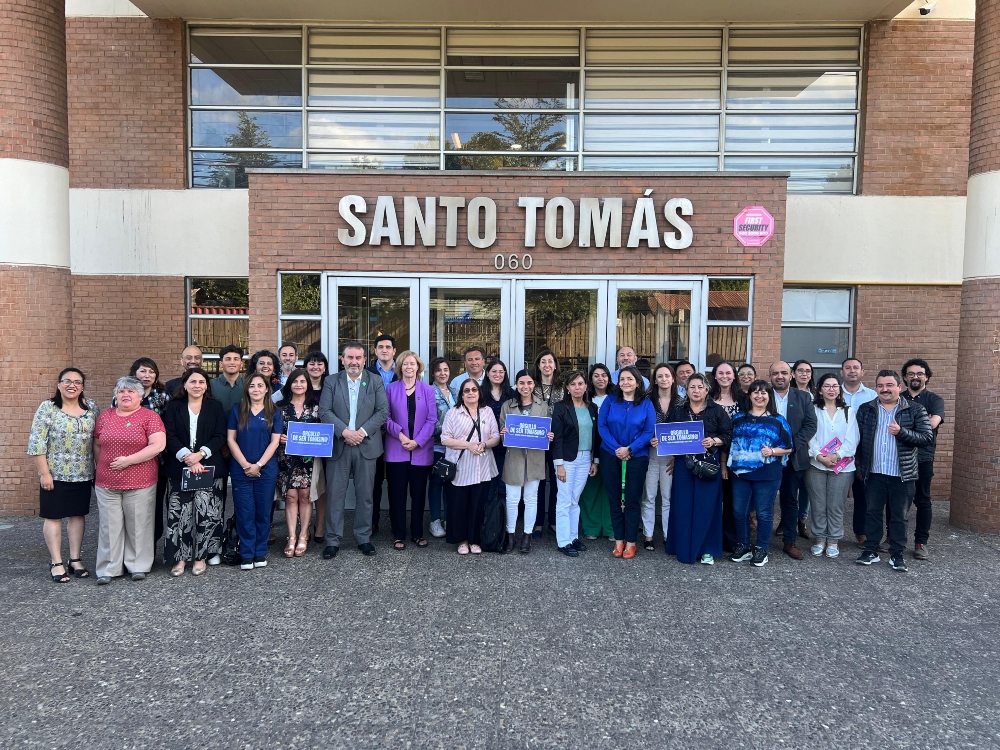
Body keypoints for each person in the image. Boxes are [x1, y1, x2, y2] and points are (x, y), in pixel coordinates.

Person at [854, 371, 933, 572]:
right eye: (880, 385)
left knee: (899, 515)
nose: (885, 389)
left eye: (889, 385)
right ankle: (870, 550)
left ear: (900, 386)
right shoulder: (867, 409)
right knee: (872, 513)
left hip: (902, 473)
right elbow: (858, 439)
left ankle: (896, 554)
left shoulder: (915, 409)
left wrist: (902, 432)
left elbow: (926, 438)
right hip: (874, 472)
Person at [93, 376, 166, 585]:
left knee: (139, 525)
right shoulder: (105, 416)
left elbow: (157, 445)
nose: (126, 395)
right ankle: (109, 567)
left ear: (141, 397)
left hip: (140, 481)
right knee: (109, 526)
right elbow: (97, 444)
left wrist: (128, 461)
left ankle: (138, 565)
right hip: (107, 483)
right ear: (116, 395)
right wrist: (103, 465)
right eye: (122, 391)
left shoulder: (149, 417)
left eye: (131, 392)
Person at [29, 368, 99, 582]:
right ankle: (57, 562)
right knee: (54, 516)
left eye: (77, 382)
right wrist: (44, 473)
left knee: (78, 515)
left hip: (83, 473)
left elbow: (97, 441)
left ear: (83, 386)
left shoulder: (92, 408)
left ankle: (75, 559)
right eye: (67, 381)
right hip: (55, 474)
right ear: (59, 384)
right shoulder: (48, 408)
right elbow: (37, 442)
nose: (72, 385)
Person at [319, 340, 388, 559]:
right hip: (340, 444)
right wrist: (345, 432)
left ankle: (363, 538)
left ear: (365, 360)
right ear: (342, 359)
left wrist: (362, 432)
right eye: (350, 357)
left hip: (366, 445)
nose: (354, 362)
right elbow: (325, 411)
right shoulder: (331, 381)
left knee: (365, 495)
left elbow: (382, 411)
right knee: (335, 496)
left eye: (358, 358)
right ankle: (332, 540)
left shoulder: (375, 381)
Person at [161, 368, 227, 576]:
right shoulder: (173, 407)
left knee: (206, 514)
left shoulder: (215, 407)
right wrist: (186, 457)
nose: (197, 385)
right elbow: (168, 434)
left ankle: (201, 557)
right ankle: (180, 558)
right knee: (180, 514)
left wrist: (200, 455)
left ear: (206, 385)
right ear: (185, 384)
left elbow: (220, 435)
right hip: (180, 466)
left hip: (208, 466)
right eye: (193, 382)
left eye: (201, 382)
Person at [665, 373, 731, 564]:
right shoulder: (677, 411)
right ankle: (683, 547)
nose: (696, 390)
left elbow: (728, 434)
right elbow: (667, 434)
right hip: (683, 465)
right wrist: (659, 441)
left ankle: (707, 549)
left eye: (700, 387)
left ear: (707, 390)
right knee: (683, 505)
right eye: (692, 387)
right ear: (686, 390)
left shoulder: (717, 411)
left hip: (708, 463)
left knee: (706, 506)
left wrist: (714, 440)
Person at [727, 380, 794, 567]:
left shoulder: (778, 420)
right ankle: (744, 546)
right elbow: (729, 443)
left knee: (764, 513)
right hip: (740, 473)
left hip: (767, 473)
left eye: (764, 392)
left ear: (769, 396)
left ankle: (762, 549)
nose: (759, 396)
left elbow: (788, 447)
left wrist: (772, 451)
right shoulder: (738, 418)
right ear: (749, 396)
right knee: (739, 512)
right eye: (755, 392)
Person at [598, 366, 655, 559]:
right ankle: (618, 541)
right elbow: (602, 425)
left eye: (630, 379)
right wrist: (618, 449)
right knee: (614, 500)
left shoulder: (646, 404)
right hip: (610, 454)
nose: (625, 382)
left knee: (632, 500)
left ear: (638, 382)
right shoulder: (611, 400)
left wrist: (630, 449)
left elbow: (648, 432)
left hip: (637, 457)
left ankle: (631, 543)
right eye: (622, 379)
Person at [227, 373, 283, 570]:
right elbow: (231, 440)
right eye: (252, 386)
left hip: (266, 469)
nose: (256, 389)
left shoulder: (274, 412)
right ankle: (246, 553)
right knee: (244, 511)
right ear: (247, 389)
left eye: (260, 385)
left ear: (267, 389)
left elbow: (275, 441)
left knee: (263, 511)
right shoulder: (237, 411)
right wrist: (245, 465)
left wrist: (258, 465)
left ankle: (260, 552)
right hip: (241, 469)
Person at [441, 379, 500, 555]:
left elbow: (496, 436)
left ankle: (475, 540)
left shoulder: (487, 411)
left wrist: (484, 444)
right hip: (460, 467)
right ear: (461, 394)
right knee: (460, 505)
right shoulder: (453, 413)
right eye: (466, 390)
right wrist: (468, 445)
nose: (471, 393)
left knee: (478, 505)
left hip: (482, 466)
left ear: (479, 392)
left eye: (474, 389)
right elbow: (445, 439)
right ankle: (462, 540)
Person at [384, 351, 436, 550]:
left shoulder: (427, 390)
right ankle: (398, 535)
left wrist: (418, 441)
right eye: (405, 364)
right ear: (400, 367)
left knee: (418, 494)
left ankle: (417, 533)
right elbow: (385, 418)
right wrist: (402, 436)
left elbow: (432, 419)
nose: (408, 367)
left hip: (421, 451)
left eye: (412, 364)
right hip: (397, 449)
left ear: (418, 367)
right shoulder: (391, 389)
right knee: (397, 495)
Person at [805, 374, 859, 559]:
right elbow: (808, 436)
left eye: (835, 386)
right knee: (818, 504)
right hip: (816, 465)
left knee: (836, 505)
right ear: (820, 389)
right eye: (827, 386)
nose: (831, 389)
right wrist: (820, 456)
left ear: (839, 389)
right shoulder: (812, 409)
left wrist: (836, 455)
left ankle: (834, 540)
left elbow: (853, 439)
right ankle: (820, 539)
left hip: (842, 466)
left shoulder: (848, 411)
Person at [499, 370, 553, 554]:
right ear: (516, 384)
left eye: (529, 383)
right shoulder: (508, 405)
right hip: (513, 457)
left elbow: (547, 429)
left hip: (535, 458)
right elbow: (501, 428)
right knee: (512, 499)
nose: (525, 387)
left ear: (534, 385)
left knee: (531, 499)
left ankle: (527, 536)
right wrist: (503, 433)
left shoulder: (543, 406)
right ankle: (510, 535)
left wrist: (549, 436)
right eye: (521, 383)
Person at [769, 360, 817, 559]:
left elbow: (810, 425)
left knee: (790, 501)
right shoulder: (761, 394)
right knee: (763, 500)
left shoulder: (804, 397)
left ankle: (790, 541)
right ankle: (758, 540)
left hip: (793, 458)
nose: (779, 376)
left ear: (791, 376)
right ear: (769, 376)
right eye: (775, 373)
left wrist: (790, 446)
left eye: (784, 373)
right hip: (766, 457)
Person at [551, 370, 599, 557]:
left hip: (586, 458)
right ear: (568, 388)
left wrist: (595, 461)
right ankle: (563, 541)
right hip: (567, 460)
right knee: (564, 500)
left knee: (575, 500)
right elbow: (558, 438)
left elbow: (596, 437)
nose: (577, 387)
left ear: (586, 386)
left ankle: (572, 537)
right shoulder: (560, 407)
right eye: (573, 384)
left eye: (580, 384)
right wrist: (559, 464)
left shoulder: (592, 408)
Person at [124, 357, 171, 543]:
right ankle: (130, 547)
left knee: (154, 503)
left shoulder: (162, 397)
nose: (147, 375)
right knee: (131, 506)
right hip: (129, 459)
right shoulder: (123, 396)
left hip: (156, 459)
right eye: (143, 371)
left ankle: (150, 545)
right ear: (134, 373)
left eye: (151, 372)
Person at [901, 358, 945, 560]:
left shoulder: (934, 400)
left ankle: (921, 542)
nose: (915, 377)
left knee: (923, 501)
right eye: (911, 374)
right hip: (899, 456)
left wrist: (904, 428)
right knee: (896, 500)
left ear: (926, 376)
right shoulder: (898, 397)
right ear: (905, 377)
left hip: (923, 458)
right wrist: (919, 423)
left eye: (919, 373)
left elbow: (932, 424)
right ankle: (893, 538)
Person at [276, 368, 319, 558]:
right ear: (289, 385)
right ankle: (291, 536)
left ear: (308, 384)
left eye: (302, 381)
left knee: (305, 497)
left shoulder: (316, 407)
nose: (299, 385)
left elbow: (323, 433)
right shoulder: (280, 407)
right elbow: (272, 432)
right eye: (295, 382)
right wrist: (279, 438)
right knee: (291, 497)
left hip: (309, 461)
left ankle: (304, 534)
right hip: (287, 460)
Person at [209, 344, 244, 564]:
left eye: (236, 359)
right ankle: (213, 544)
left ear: (242, 363)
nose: (232, 362)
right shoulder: (211, 385)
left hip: (244, 450)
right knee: (215, 498)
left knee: (242, 497)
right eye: (227, 359)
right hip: (216, 449)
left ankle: (238, 540)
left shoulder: (249, 384)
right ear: (221, 363)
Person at [840, 357, 878, 547]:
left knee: (863, 493)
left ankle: (861, 532)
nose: (852, 371)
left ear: (862, 372)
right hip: (837, 452)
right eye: (848, 368)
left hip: (864, 451)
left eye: (856, 368)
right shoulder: (833, 393)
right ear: (842, 372)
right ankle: (832, 533)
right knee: (835, 495)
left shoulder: (873, 395)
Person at [642, 363, 679, 551]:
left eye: (667, 376)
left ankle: (667, 534)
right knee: (649, 496)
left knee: (668, 496)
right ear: (654, 380)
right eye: (660, 376)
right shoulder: (647, 401)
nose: (664, 379)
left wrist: (678, 456)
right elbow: (640, 426)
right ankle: (648, 535)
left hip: (671, 457)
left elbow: (684, 431)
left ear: (673, 379)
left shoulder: (682, 401)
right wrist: (649, 440)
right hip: (650, 454)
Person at [710, 360, 743, 553]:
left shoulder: (743, 399)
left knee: (733, 501)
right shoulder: (708, 399)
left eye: (728, 373)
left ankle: (731, 541)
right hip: (712, 456)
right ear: (714, 375)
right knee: (713, 500)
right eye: (720, 373)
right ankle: (714, 539)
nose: (724, 376)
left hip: (738, 458)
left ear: (734, 375)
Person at [367, 334, 398, 534]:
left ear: (394, 351)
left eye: (388, 347)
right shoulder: (367, 372)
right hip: (374, 432)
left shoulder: (404, 371)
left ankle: (397, 522)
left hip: (397, 433)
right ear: (375, 351)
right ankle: (372, 520)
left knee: (396, 479)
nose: (384, 350)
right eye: (380, 347)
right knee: (374, 480)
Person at [532, 348, 564, 536]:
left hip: (557, 440)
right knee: (538, 480)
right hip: (537, 439)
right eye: (543, 361)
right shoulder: (532, 385)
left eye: (550, 361)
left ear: (555, 365)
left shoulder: (562, 386)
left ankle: (553, 520)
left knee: (555, 481)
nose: (547, 365)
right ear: (538, 365)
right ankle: (537, 522)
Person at [303, 350, 330, 542]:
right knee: (302, 487)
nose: (316, 367)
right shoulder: (298, 384)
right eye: (311, 363)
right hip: (302, 444)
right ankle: (302, 527)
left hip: (326, 444)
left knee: (322, 486)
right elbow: (276, 403)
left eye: (320, 363)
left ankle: (320, 525)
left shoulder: (331, 386)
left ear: (325, 367)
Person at [428, 357, 455, 539]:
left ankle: (449, 519)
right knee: (437, 482)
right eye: (439, 370)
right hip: (437, 446)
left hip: (455, 448)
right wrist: (447, 433)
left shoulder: (455, 391)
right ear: (433, 373)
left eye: (445, 369)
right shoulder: (429, 392)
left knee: (451, 484)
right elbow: (429, 420)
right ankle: (435, 520)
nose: (442, 373)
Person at [482, 359, 515, 489]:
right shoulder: (479, 393)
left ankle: (501, 510)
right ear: (487, 373)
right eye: (494, 371)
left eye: (501, 372)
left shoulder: (512, 394)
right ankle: (488, 509)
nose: (498, 374)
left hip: (506, 445)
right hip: (485, 444)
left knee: (503, 484)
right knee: (487, 485)